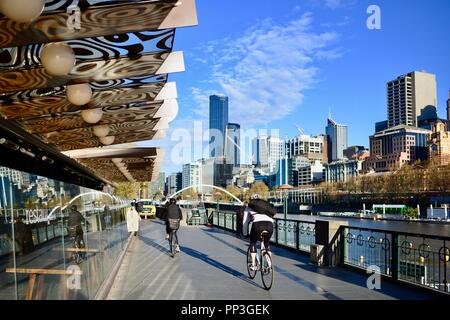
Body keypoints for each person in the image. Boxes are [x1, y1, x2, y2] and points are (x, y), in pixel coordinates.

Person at [243, 194, 274, 271]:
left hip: (257, 225)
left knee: (253, 243)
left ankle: (253, 265)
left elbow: (245, 222)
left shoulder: (248, 207)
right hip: (270, 225)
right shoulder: (266, 207)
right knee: (266, 243)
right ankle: (270, 265)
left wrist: (245, 233)